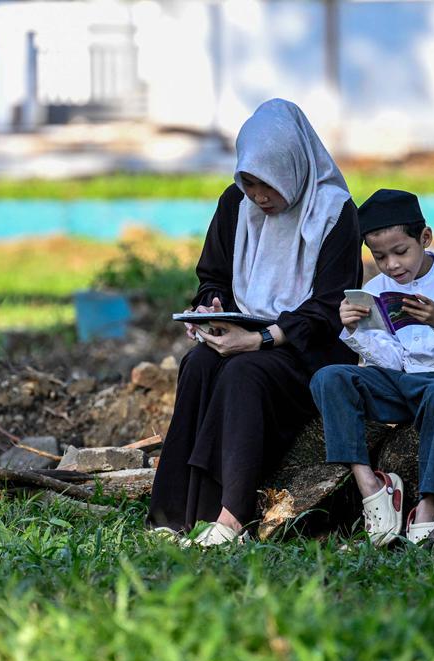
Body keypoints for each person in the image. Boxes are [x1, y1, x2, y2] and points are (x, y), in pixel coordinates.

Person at [147, 99, 363, 546]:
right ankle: (172, 515)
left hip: (308, 349)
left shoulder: (334, 212)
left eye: (268, 184)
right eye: (249, 181)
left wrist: (261, 339)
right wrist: (210, 309)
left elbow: (329, 306)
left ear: (294, 169)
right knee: (198, 366)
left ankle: (231, 517)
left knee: (245, 373)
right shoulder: (235, 204)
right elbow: (212, 276)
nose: (259, 195)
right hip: (244, 333)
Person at [310, 189, 434, 545]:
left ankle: (427, 506)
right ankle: (373, 489)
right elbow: (393, 361)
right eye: (380, 256)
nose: (392, 264)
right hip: (403, 385)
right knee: (329, 377)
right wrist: (353, 330)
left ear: (425, 238)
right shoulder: (377, 288)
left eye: (401, 251)